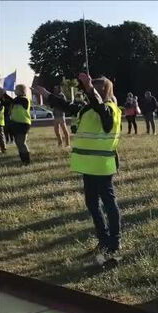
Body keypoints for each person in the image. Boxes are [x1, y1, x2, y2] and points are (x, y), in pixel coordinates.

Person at [36, 73, 122, 262]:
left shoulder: (110, 109)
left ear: (105, 91)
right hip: (87, 166)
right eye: (91, 86)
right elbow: (67, 106)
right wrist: (48, 94)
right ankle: (103, 238)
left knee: (109, 204)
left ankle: (114, 242)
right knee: (92, 204)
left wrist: (90, 88)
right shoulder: (87, 109)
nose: (92, 89)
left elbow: (101, 110)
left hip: (102, 166)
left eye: (98, 87)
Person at [3, 84, 32, 165]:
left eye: (16, 89)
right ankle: (23, 161)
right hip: (16, 123)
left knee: (22, 143)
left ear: (20, 91)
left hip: (23, 124)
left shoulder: (24, 99)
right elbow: (8, 103)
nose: (14, 91)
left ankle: (27, 161)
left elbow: (13, 101)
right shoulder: (16, 99)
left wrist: (4, 94)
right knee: (18, 143)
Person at [0, 88, 7, 153]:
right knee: (1, 136)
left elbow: (0, 108)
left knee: (0, 136)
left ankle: (3, 148)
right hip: (0, 122)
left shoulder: (1, 103)